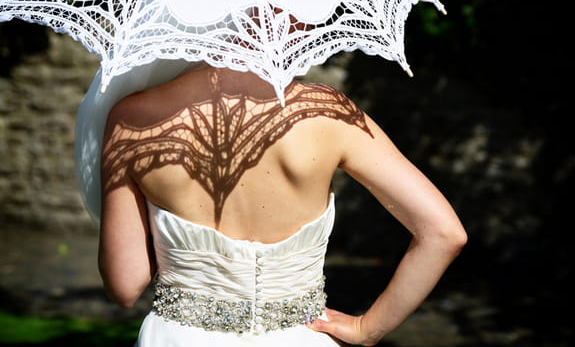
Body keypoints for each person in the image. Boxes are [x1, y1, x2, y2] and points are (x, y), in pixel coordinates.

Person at [98, 64, 467, 346]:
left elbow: (126, 285)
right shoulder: (326, 112)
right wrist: (366, 329)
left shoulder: (132, 119)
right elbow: (443, 233)